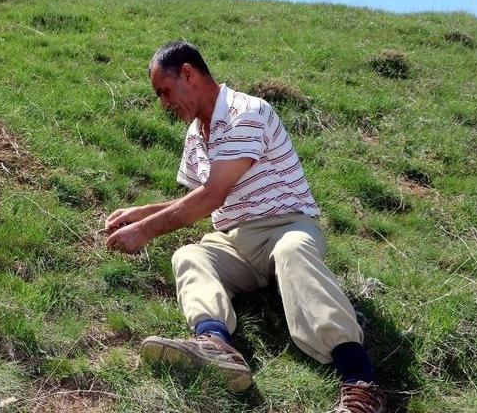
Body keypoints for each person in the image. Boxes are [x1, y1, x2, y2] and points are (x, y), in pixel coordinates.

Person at [104, 41, 385, 413]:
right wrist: (142, 212)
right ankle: (215, 345)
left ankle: (360, 380)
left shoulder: (245, 112)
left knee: (292, 251)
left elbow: (212, 194)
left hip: (287, 227)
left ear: (188, 73)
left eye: (164, 91)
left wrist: (144, 232)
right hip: (234, 240)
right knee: (190, 254)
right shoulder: (195, 135)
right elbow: (199, 196)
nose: (164, 104)